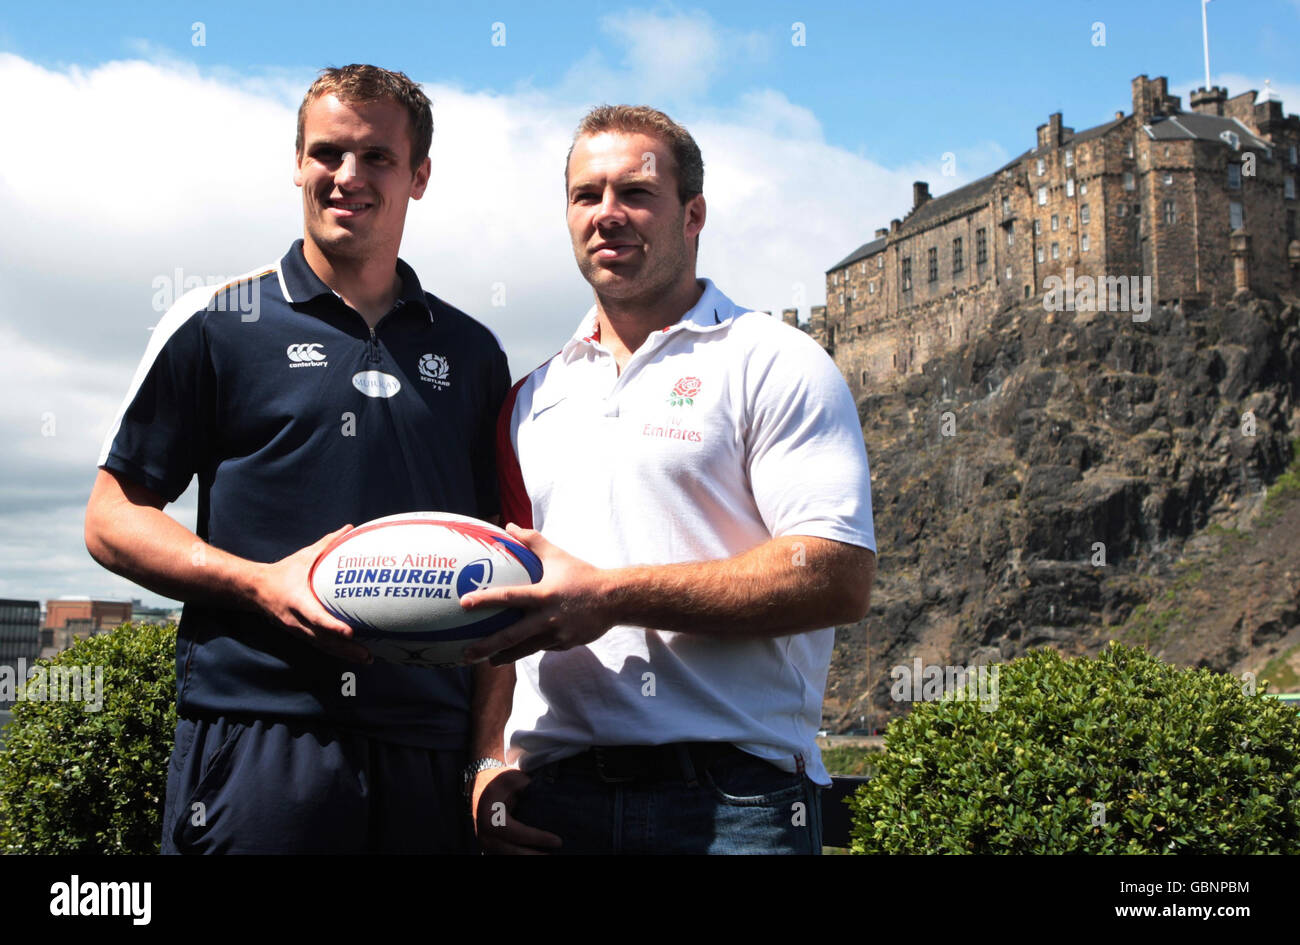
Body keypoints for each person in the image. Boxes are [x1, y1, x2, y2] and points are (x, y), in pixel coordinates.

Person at [84, 64, 511, 854]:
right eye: (327, 153)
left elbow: (500, 563)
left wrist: (487, 754)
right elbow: (111, 518)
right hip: (258, 737)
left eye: (378, 157)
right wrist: (257, 582)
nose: (348, 176)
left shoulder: (473, 351)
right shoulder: (219, 323)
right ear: (297, 164)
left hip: (427, 746)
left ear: (419, 176)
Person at [463, 105, 876, 855]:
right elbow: (509, 611)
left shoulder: (774, 361)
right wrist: (490, 762)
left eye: (635, 194)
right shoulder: (530, 398)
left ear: (693, 215)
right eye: (587, 195)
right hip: (555, 799)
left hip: (737, 801)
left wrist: (611, 594)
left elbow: (837, 576)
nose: (607, 215)